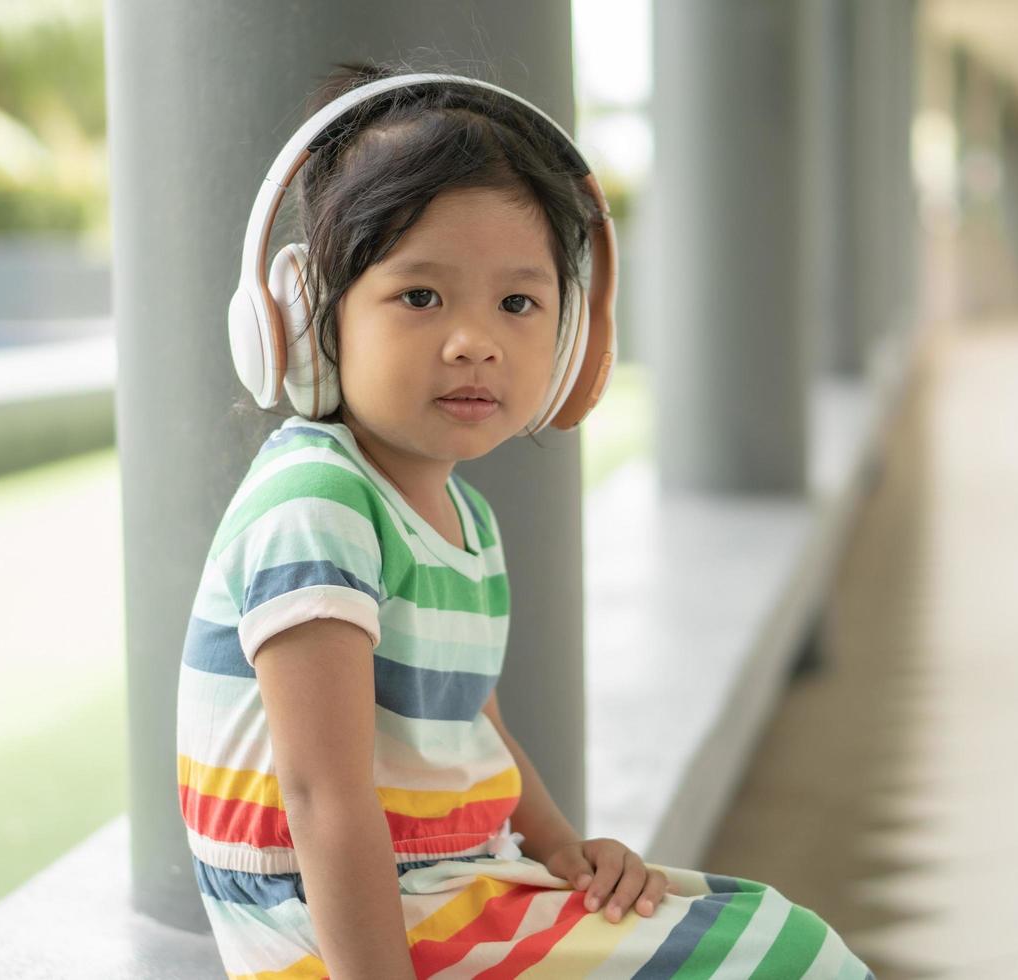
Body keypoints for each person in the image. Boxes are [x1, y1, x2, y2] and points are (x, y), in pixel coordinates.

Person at [175, 58, 876, 979]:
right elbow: (321, 798)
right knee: (790, 957)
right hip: (336, 926)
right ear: (312, 319)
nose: (476, 339)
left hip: (448, 884)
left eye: (518, 302)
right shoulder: (317, 508)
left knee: (749, 918)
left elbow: (477, 725)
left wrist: (562, 851)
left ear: (570, 334)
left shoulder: (460, 512)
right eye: (420, 296)